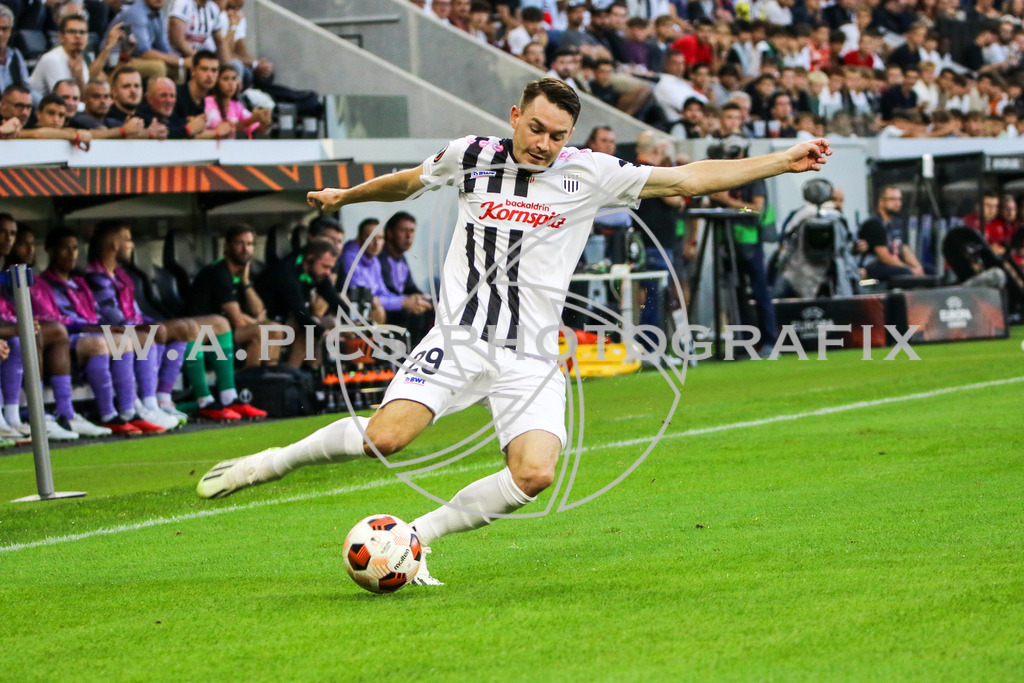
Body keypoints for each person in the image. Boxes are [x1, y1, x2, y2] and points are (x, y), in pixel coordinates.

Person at [197, 78, 832, 586]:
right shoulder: (468, 156)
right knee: (386, 439)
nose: (543, 142)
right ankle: (266, 463)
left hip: (530, 352)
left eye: (557, 135)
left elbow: (689, 178)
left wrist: (781, 161)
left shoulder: (589, 174)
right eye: (535, 127)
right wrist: (346, 197)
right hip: (459, 337)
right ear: (514, 115)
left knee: (534, 475)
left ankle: (415, 537)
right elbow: (410, 182)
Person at [86, 220, 264, 422]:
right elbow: (115, 318)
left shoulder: (121, 275)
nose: (132, 245)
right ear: (114, 244)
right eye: (127, 240)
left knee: (213, 323)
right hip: (112, 333)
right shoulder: (96, 277)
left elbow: (134, 313)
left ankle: (226, 396)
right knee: (169, 330)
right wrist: (151, 324)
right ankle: (174, 401)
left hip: (133, 327)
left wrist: (152, 321)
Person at [707, 135, 778, 356]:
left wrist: (729, 202)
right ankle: (745, 344)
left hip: (750, 242)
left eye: (734, 153)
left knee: (760, 292)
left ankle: (770, 341)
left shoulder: (754, 177)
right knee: (735, 295)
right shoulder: (723, 175)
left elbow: (755, 209)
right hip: (727, 242)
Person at [188, 223, 286, 368]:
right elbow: (237, 320)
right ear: (227, 246)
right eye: (240, 243)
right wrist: (257, 321)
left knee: (276, 329)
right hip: (204, 332)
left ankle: (268, 381)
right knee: (259, 332)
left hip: (228, 328)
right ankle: (249, 386)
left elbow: (258, 311)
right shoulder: (218, 272)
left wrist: (246, 283)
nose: (245, 249)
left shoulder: (243, 272)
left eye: (249, 244)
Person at [254, 237, 347, 369]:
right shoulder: (287, 273)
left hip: (289, 320)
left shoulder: (316, 272)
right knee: (310, 328)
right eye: (325, 267)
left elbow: (335, 300)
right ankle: (292, 372)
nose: (328, 273)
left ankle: (317, 370)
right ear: (310, 259)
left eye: (330, 268)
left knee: (332, 322)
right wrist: (326, 335)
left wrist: (355, 322)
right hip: (269, 320)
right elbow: (301, 315)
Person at [378, 211, 433, 348]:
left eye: (412, 231)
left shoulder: (401, 258)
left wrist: (426, 298)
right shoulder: (380, 257)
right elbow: (388, 291)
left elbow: (410, 287)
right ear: (390, 233)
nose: (409, 236)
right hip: (386, 310)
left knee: (430, 308)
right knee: (416, 313)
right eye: (403, 230)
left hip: (399, 306)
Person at [858, 185, 924, 281]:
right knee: (907, 273)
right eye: (892, 199)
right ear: (881, 202)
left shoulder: (897, 223)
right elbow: (884, 257)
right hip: (874, 266)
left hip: (894, 265)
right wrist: (909, 268)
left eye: (899, 200)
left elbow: (905, 249)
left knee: (929, 270)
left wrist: (918, 267)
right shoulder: (874, 223)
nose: (898, 203)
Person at [27, 12, 91, 100]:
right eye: (72, 32)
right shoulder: (52, 59)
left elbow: (83, 97)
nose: (78, 36)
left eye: (82, 32)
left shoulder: (80, 58)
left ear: (87, 37)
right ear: (61, 36)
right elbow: (63, 100)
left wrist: (80, 79)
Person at [202, 61, 270, 138]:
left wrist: (265, 122)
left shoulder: (237, 106)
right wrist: (251, 120)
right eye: (225, 79)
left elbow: (258, 129)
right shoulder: (206, 103)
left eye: (234, 79)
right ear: (216, 81)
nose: (231, 84)